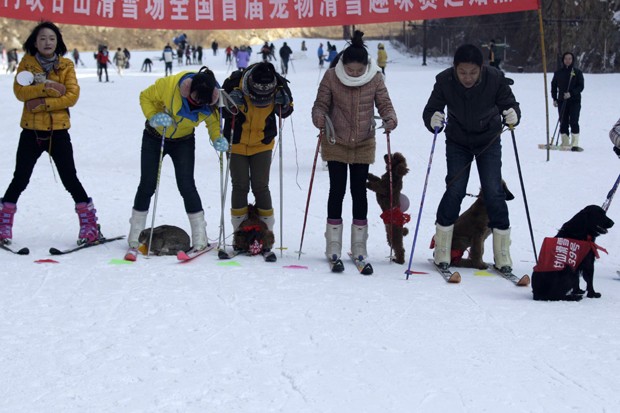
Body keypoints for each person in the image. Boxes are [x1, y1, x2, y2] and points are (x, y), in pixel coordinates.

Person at [0, 21, 101, 246]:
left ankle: (89, 226)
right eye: (43, 38)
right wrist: (49, 87)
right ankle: (3, 225)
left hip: (59, 132)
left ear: (58, 42)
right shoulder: (26, 64)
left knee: (70, 179)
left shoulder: (65, 65)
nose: (47, 42)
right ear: (35, 42)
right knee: (20, 178)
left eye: (52, 38)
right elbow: (20, 92)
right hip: (31, 131)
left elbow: (71, 96)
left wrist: (41, 102)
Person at [422, 44, 520, 272]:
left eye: (473, 72)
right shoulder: (445, 80)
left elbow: (510, 105)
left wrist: (513, 115)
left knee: (493, 190)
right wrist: (433, 119)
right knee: (455, 189)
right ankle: (443, 248)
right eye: (462, 72)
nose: (467, 77)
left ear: (481, 69)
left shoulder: (495, 79)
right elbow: (431, 109)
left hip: (489, 139)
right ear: (455, 68)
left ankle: (502, 253)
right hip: (458, 141)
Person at [311, 30, 397, 265]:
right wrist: (318, 116)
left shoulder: (375, 77)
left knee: (359, 191)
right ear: (343, 64)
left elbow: (385, 104)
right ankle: (333, 244)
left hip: (363, 141)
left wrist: (390, 118)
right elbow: (320, 104)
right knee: (336, 190)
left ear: (366, 66)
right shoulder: (331, 76)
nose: (355, 73)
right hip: (336, 140)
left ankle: (359, 244)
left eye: (359, 70)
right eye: (351, 70)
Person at [127, 66, 226, 253]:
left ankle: (199, 236)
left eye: (202, 102)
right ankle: (136, 234)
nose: (198, 104)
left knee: (187, 185)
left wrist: (217, 139)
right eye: (196, 99)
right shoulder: (170, 85)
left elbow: (213, 123)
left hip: (184, 142)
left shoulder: (212, 101)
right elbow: (145, 97)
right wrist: (154, 117)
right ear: (189, 90)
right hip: (155, 136)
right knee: (147, 184)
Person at [222, 62, 294, 259]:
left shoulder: (278, 84)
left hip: (263, 143)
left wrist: (285, 103)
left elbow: (287, 110)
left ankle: (266, 235)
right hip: (236, 143)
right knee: (240, 185)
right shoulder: (234, 82)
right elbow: (218, 107)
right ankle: (239, 236)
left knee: (261, 186)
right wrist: (229, 103)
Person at [551, 52, 585, 149]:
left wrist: (571, 93)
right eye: (566, 58)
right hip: (562, 100)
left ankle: (574, 143)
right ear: (563, 60)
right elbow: (554, 86)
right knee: (563, 121)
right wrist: (554, 98)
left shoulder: (577, 72)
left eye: (570, 59)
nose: (568, 60)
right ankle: (565, 142)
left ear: (572, 60)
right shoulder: (558, 73)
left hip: (575, 101)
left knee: (574, 120)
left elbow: (581, 86)